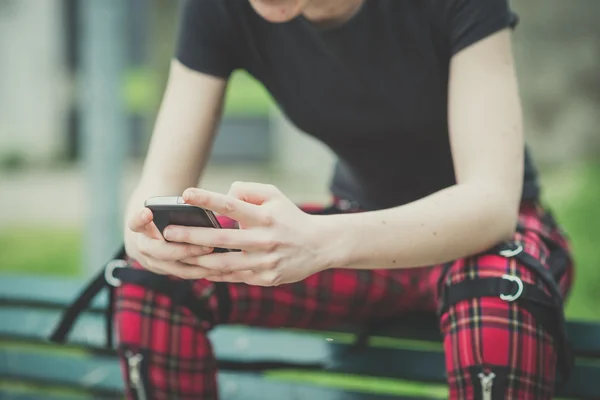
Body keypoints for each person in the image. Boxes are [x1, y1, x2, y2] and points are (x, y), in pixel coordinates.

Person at [114, 0, 575, 398]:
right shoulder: (219, 8)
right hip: (359, 240)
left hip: (478, 243)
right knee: (156, 282)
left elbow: (491, 205)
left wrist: (318, 240)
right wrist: (147, 241)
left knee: (498, 295)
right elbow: (155, 193)